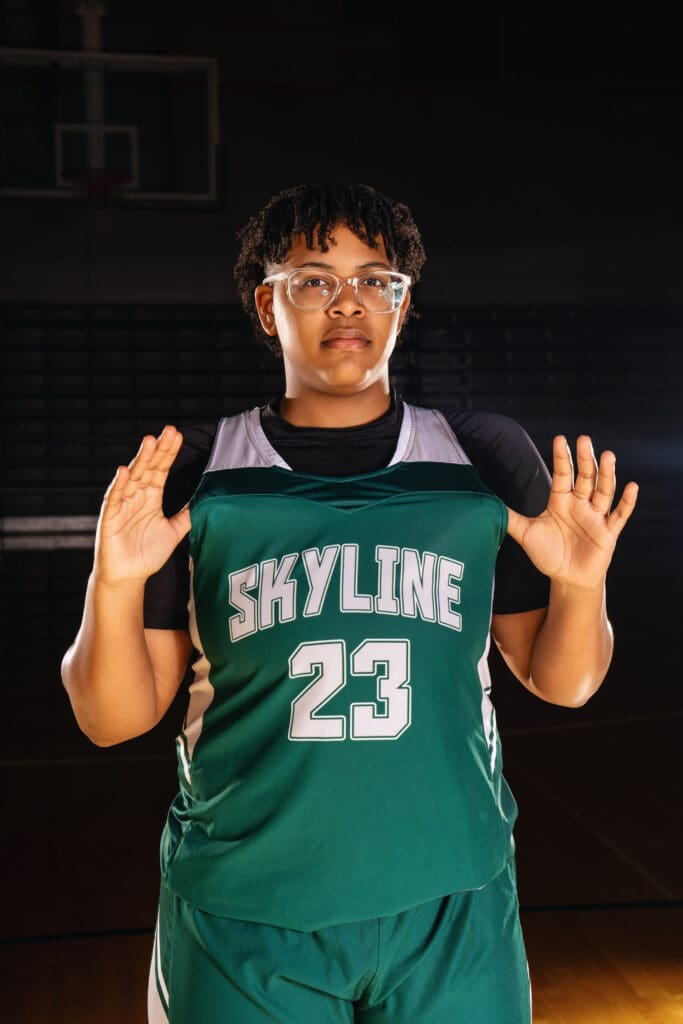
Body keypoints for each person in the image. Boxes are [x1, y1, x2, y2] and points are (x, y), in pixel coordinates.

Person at [61, 181, 638, 1024]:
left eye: (375, 280)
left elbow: (566, 682)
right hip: (245, 904)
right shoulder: (196, 470)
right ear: (267, 303)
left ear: (403, 305)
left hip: (452, 895)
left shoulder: (479, 457)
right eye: (314, 278)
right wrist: (110, 582)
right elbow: (113, 718)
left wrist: (581, 588)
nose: (349, 302)